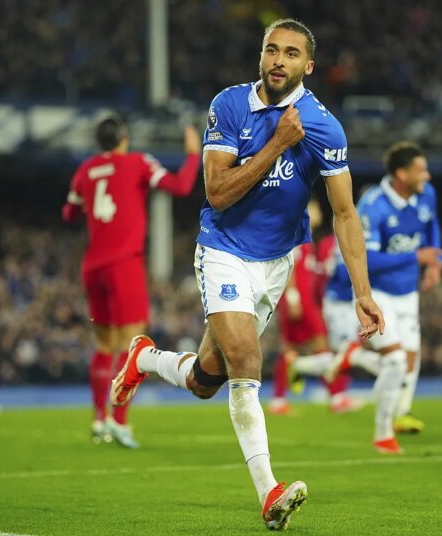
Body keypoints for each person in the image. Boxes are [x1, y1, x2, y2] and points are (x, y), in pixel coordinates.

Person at [110, 19, 384, 531]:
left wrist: (362, 292)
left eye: (291, 53)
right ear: (261, 56)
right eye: (271, 50)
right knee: (246, 358)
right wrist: (279, 143)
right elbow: (216, 192)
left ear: (308, 66)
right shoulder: (230, 105)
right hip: (224, 248)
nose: (279, 60)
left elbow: (345, 214)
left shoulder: (325, 126)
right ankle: (270, 492)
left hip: (277, 262)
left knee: (204, 379)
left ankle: (144, 358)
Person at [62, 115, 201, 448]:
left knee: (103, 346)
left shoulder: (85, 170)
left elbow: (69, 214)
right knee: (132, 345)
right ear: (123, 137)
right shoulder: (137, 162)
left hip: (93, 266)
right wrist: (193, 154)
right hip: (123, 264)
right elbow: (180, 185)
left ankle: (99, 420)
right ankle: (120, 422)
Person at [328, 142, 442, 453]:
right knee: (394, 361)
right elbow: (368, 259)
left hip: (409, 294)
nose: (427, 175)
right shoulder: (373, 206)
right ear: (401, 173)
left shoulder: (426, 195)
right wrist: (416, 257)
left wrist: (434, 262)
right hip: (377, 292)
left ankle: (393, 411)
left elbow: (432, 224)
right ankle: (383, 434)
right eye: (420, 169)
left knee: (409, 363)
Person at [269, 198, 360, 416]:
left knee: (290, 350)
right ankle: (337, 397)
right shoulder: (296, 233)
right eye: (315, 207)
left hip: (299, 300)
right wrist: (292, 297)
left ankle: (279, 400)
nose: (319, 212)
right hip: (300, 301)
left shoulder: (304, 237)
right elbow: (287, 265)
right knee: (322, 348)